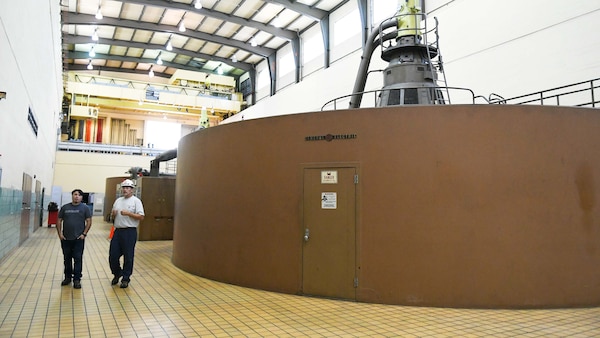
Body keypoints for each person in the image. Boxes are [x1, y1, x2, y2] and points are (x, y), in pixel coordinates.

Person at [109, 179, 145, 288]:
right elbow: (112, 218)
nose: (125, 190)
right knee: (113, 256)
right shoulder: (118, 201)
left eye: (128, 188)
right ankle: (117, 273)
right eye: (124, 187)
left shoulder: (136, 201)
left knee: (128, 256)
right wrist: (113, 214)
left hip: (129, 232)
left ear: (132, 190)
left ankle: (125, 278)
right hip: (118, 231)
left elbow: (141, 216)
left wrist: (129, 213)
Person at [57, 189, 92, 289]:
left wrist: (84, 234)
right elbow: (59, 221)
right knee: (67, 259)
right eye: (75, 194)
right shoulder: (65, 207)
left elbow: (89, 221)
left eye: (79, 195)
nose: (77, 196)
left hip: (78, 239)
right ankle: (67, 277)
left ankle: (77, 279)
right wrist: (60, 234)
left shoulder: (85, 208)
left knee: (77, 259)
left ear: (81, 197)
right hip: (66, 239)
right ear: (72, 196)